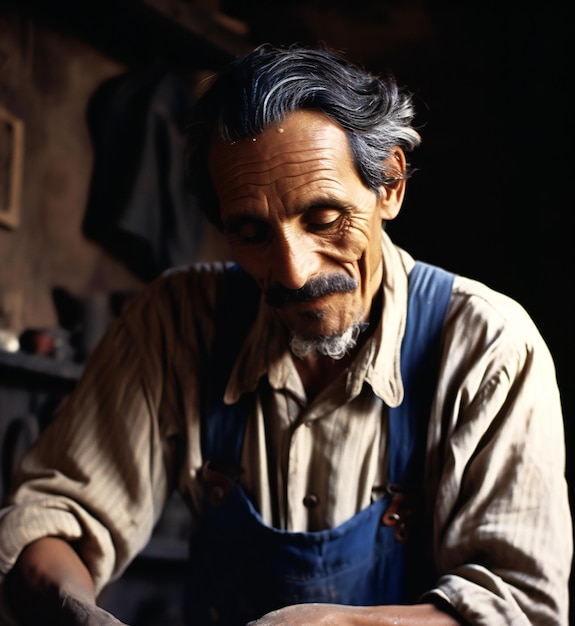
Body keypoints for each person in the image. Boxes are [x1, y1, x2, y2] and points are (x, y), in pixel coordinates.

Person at [0, 44, 571, 626]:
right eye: (250, 232)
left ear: (391, 185)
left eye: (324, 219)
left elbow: (519, 607)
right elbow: (51, 515)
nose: (294, 271)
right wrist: (78, 614)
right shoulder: (176, 322)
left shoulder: (489, 348)